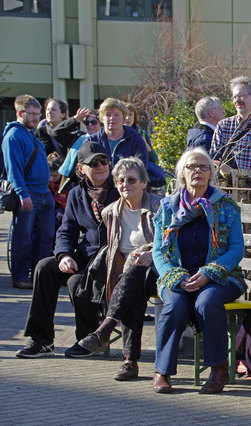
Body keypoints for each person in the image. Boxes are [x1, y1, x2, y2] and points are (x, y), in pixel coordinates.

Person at [152, 147, 245, 394]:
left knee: (207, 302)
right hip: (178, 275)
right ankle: (162, 371)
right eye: (192, 166)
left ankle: (218, 370)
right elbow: (158, 252)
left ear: (211, 174)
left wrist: (209, 273)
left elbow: (236, 249)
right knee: (175, 305)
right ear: (182, 173)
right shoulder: (168, 208)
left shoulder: (226, 206)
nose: (198, 171)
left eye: (204, 167)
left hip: (221, 276)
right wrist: (176, 277)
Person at [16, 142, 119, 358]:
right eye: (93, 163)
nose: (100, 166)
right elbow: (66, 231)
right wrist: (64, 255)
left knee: (77, 282)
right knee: (44, 267)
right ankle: (42, 339)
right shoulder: (76, 194)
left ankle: (89, 339)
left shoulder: (121, 189)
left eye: (103, 161)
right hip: (86, 255)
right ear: (81, 168)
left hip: (112, 257)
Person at [76, 157, 161, 381]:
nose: (125, 185)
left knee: (133, 277)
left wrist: (152, 255)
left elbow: (171, 244)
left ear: (144, 182)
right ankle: (129, 361)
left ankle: (106, 332)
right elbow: (115, 251)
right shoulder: (110, 213)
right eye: (120, 180)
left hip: (159, 271)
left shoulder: (159, 207)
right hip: (129, 276)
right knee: (132, 285)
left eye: (131, 180)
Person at [2, 94, 55, 290]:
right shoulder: (13, 136)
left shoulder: (30, 134)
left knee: (45, 238)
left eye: (37, 114)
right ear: (20, 113)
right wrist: (22, 193)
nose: (35, 118)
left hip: (44, 193)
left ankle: (38, 276)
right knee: (24, 237)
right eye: (31, 114)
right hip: (29, 193)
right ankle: (20, 276)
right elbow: (13, 170)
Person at [209, 76, 251, 181]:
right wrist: (224, 170)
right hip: (225, 185)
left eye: (240, 96)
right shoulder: (223, 126)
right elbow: (214, 158)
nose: (236, 100)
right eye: (234, 97)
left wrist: (242, 177)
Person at [87, 98, 149, 168]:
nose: (112, 118)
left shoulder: (135, 139)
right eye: (108, 114)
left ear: (123, 118)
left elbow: (141, 168)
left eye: (117, 115)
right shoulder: (91, 141)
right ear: (101, 118)